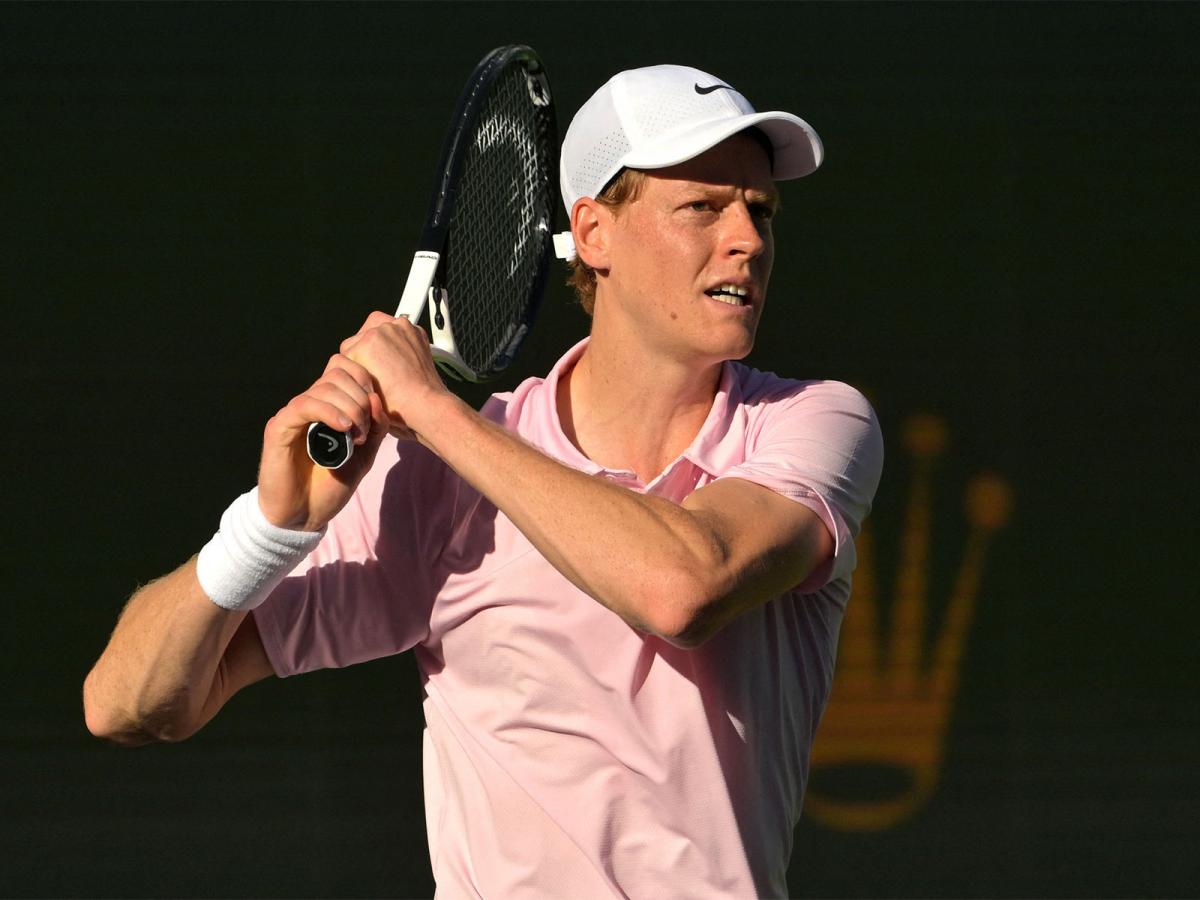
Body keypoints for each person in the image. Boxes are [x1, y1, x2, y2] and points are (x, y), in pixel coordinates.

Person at [84, 64, 883, 898]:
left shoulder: (815, 422)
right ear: (594, 233)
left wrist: (435, 413)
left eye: (761, 210)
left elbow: (682, 590)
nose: (748, 239)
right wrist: (266, 529)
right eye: (703, 207)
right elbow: (128, 704)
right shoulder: (437, 478)